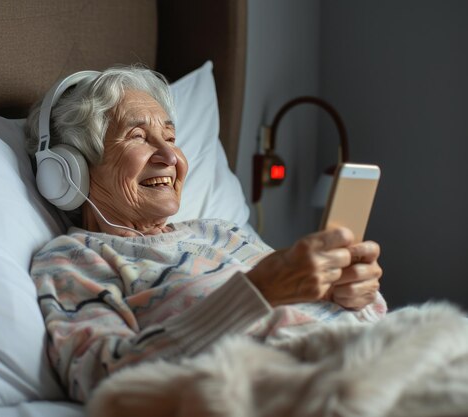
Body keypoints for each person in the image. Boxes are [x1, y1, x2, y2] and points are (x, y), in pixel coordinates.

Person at [24, 65, 385, 402]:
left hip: (377, 358)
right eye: (137, 137)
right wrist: (257, 292)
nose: (170, 155)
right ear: (70, 172)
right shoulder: (75, 259)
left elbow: (337, 315)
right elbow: (108, 384)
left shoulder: (221, 232)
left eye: (169, 136)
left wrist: (356, 297)